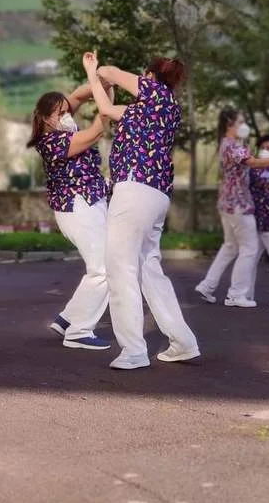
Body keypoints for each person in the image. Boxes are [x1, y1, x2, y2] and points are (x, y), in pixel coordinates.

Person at [83, 52, 199, 370]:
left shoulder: (155, 92)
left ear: (149, 76)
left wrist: (99, 71)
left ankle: (134, 350)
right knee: (149, 268)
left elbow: (112, 72)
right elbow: (106, 109)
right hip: (156, 193)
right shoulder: (154, 109)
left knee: (119, 267)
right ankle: (183, 342)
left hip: (134, 188)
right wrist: (93, 74)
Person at [27, 81, 113, 350]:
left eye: (67, 111)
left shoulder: (61, 128)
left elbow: (79, 95)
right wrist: (103, 87)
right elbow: (99, 127)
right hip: (78, 208)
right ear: (45, 119)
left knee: (101, 267)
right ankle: (79, 331)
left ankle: (67, 319)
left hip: (87, 204)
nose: (66, 115)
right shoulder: (54, 142)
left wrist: (100, 80)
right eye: (60, 113)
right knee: (104, 270)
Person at [195, 109, 269, 307]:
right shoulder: (231, 145)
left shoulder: (228, 144)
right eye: (240, 122)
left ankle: (207, 286)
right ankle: (236, 295)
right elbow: (253, 162)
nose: (244, 125)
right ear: (229, 124)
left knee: (231, 246)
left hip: (228, 203)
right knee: (249, 248)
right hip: (238, 204)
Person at [248, 134, 269, 308]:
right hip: (255, 222)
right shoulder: (253, 170)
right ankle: (245, 295)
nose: (266, 151)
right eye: (263, 148)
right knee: (249, 260)